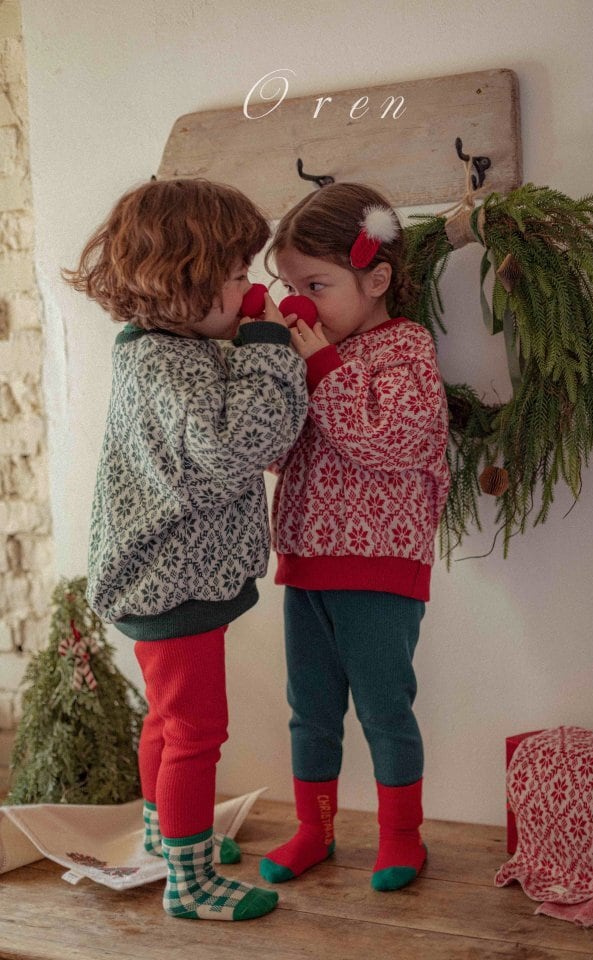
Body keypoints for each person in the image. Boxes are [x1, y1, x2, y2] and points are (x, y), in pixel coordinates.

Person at [63, 178, 307, 920]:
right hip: (173, 582)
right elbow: (238, 447)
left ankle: (166, 838)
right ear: (185, 281)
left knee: (167, 723)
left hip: (161, 573)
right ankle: (190, 884)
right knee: (196, 733)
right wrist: (267, 346)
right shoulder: (170, 366)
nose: (247, 289)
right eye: (235, 275)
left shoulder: (158, 349)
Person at [258, 182, 451, 892]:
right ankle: (315, 830)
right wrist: (274, 371)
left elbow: (387, 441)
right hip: (307, 564)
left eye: (316, 286)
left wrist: (318, 367)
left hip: (378, 568)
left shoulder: (405, 349)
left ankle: (402, 837)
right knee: (309, 711)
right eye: (290, 287)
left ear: (375, 280)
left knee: (384, 710)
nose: (299, 303)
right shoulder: (312, 353)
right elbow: (280, 453)